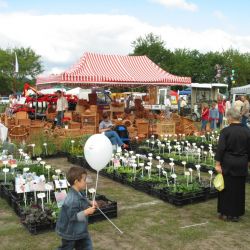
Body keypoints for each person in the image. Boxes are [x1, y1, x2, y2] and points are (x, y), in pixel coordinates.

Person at [215, 108, 250, 222]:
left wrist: (218, 164)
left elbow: (221, 149)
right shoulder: (247, 131)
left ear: (230, 117)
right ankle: (235, 214)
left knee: (226, 187)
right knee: (239, 188)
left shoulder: (226, 131)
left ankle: (225, 213)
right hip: (242, 162)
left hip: (228, 161)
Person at [56, 167, 96, 250]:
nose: (86, 182)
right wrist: (86, 212)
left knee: (86, 246)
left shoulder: (79, 191)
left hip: (80, 230)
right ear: (76, 182)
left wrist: (90, 202)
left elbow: (83, 198)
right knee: (67, 248)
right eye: (84, 180)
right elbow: (73, 217)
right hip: (70, 232)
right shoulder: (72, 200)